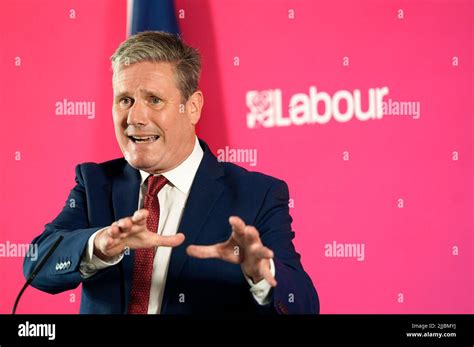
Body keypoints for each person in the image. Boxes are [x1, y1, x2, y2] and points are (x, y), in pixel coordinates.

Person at [23, 31, 319, 314]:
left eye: (154, 99)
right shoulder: (95, 183)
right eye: (125, 100)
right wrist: (98, 246)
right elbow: (36, 266)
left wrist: (262, 275)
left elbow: (304, 304)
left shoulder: (257, 195)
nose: (135, 118)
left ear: (192, 108)